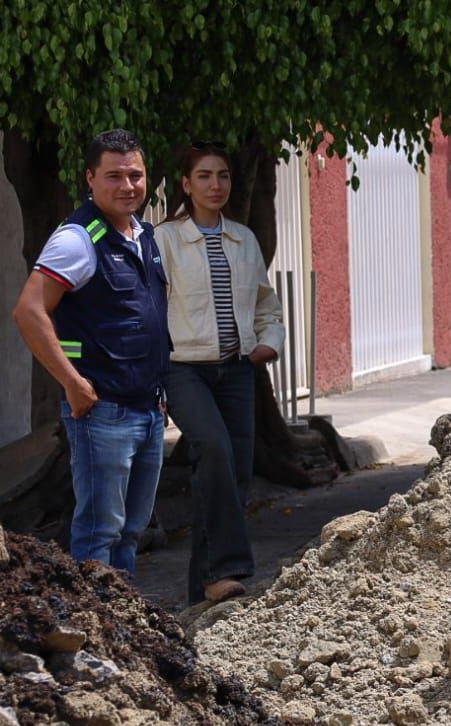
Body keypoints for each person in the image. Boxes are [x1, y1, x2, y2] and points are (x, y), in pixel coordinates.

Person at [13, 128, 170, 576]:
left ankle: (124, 634)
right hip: (104, 413)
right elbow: (29, 311)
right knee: (100, 533)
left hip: (147, 410)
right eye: (114, 176)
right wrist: (72, 383)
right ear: (90, 178)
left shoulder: (142, 235)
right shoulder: (78, 239)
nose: (127, 186)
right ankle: (94, 633)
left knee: (130, 533)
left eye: (135, 175)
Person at [160, 142, 284, 604]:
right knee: (211, 450)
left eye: (224, 176)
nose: (216, 185)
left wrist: (269, 341)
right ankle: (227, 568)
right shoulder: (164, 240)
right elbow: (150, 309)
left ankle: (203, 585)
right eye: (205, 176)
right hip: (182, 370)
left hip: (236, 370)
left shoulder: (243, 238)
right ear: (186, 184)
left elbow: (266, 303)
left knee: (234, 472)